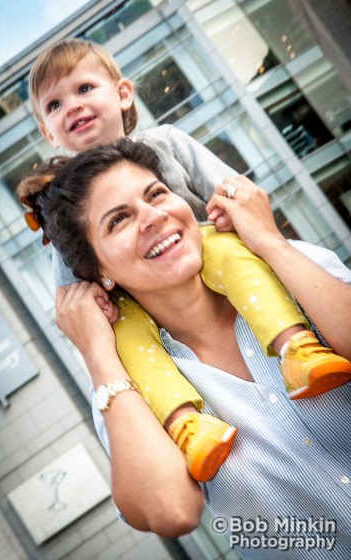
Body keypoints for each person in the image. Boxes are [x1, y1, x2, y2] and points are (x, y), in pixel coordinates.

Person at [18, 37, 351, 482]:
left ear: (122, 93)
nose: (71, 106)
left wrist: (233, 210)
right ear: (47, 132)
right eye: (54, 104)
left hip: (210, 249)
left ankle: (297, 347)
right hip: (140, 304)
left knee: (230, 254)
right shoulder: (65, 205)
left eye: (83, 89)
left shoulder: (166, 142)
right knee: (129, 344)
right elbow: (74, 292)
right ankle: (186, 426)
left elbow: (233, 192)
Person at [40, 138, 351, 559]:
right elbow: (172, 512)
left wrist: (271, 241)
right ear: (98, 272)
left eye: (156, 194)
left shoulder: (284, 267)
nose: (154, 217)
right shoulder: (122, 387)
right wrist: (96, 353)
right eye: (119, 220)